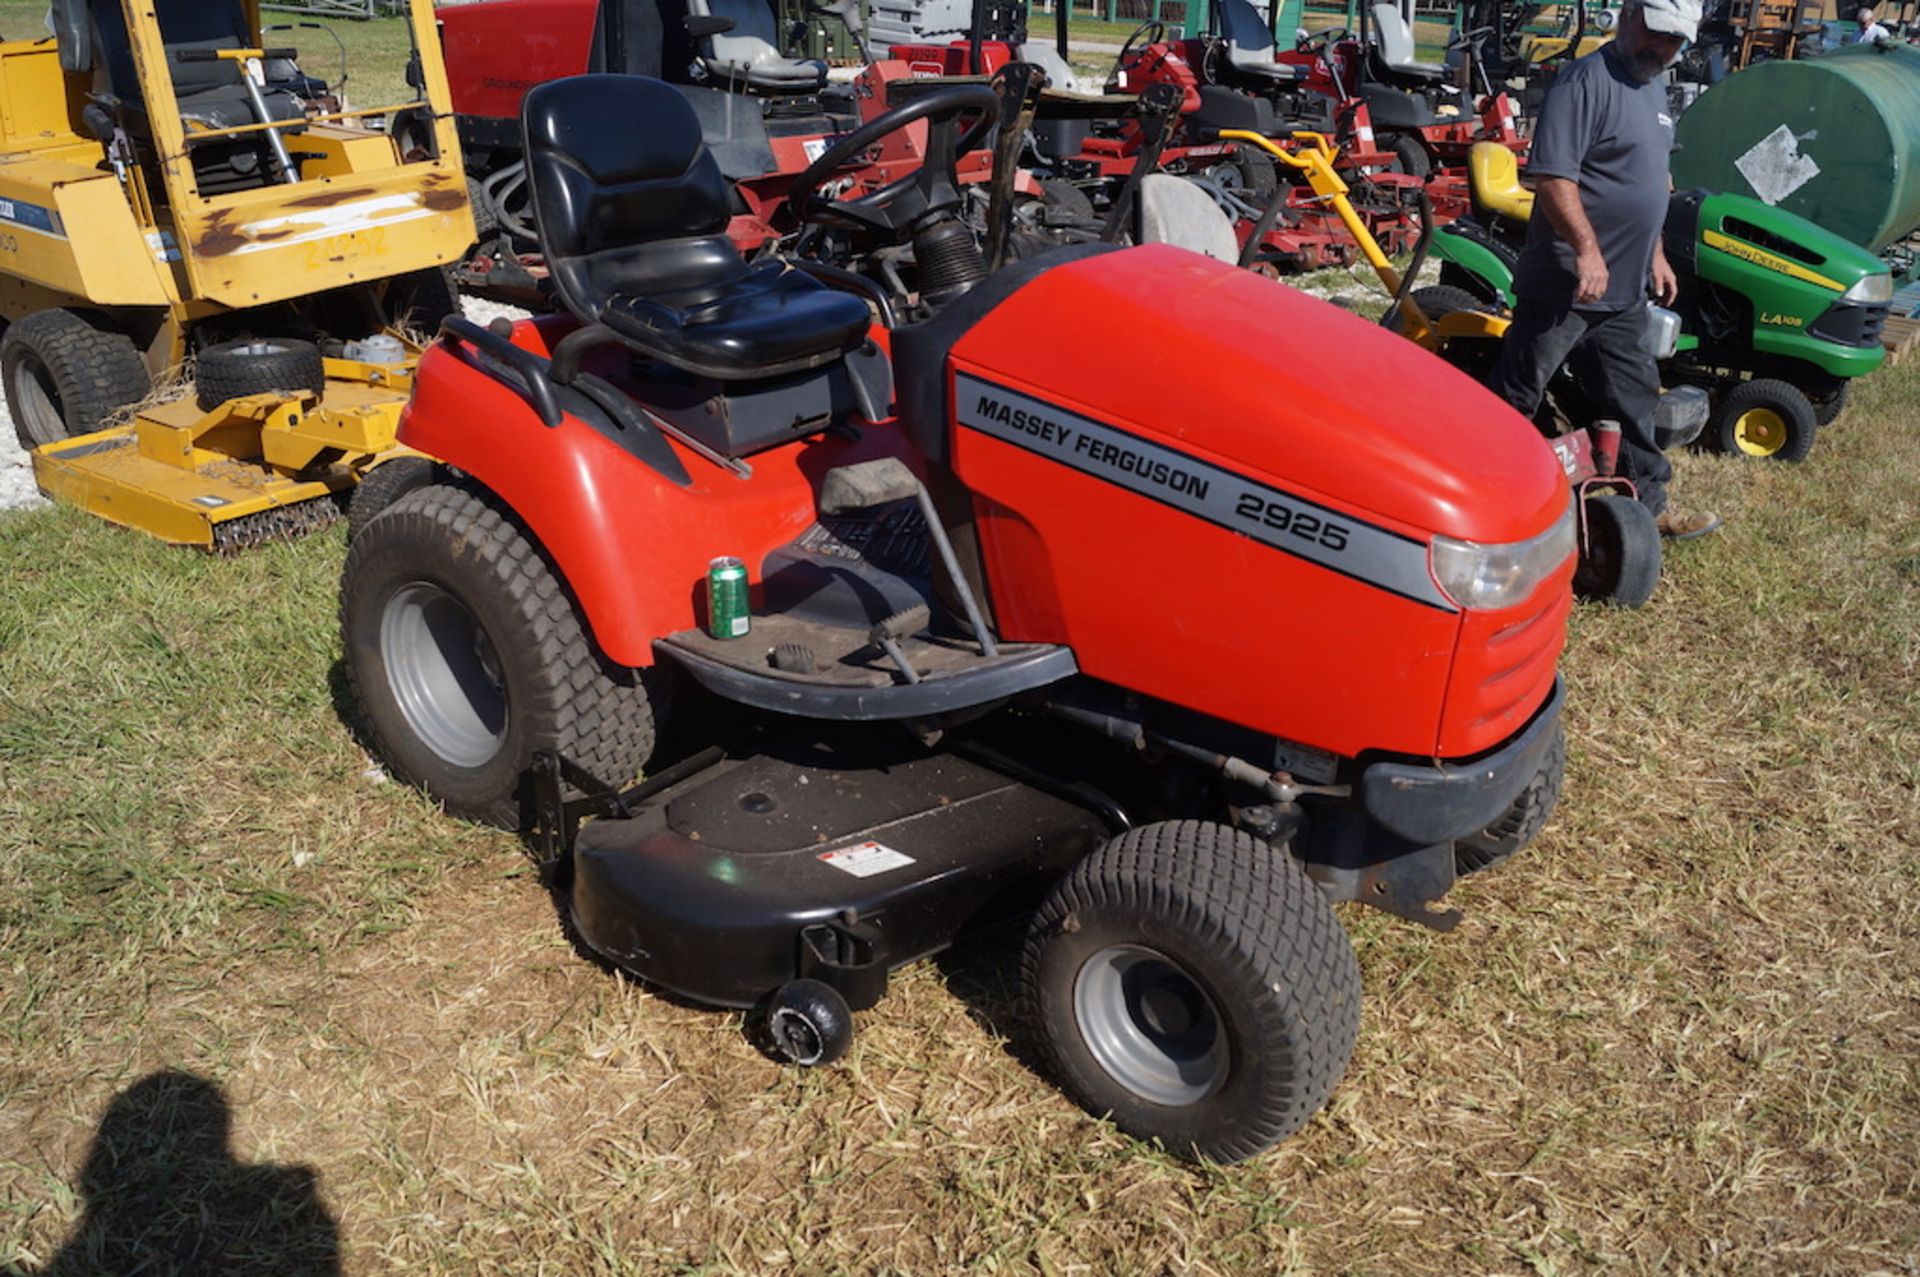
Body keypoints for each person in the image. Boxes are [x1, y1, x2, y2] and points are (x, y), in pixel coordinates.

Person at [1487, 0, 1721, 541]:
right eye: (1658, 34)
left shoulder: (1654, 87)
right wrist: (1588, 251)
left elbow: (1653, 178)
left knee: (1635, 399)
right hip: (1567, 282)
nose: (1664, 49)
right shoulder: (1583, 82)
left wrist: (1656, 252)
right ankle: (1491, 501)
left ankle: (1653, 506)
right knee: (1517, 396)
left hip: (1624, 288)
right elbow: (1551, 178)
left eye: (1675, 41)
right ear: (1629, 15)